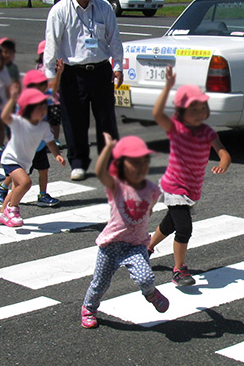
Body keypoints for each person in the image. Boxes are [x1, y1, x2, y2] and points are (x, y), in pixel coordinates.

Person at [147, 66, 231, 286]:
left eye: (202, 107)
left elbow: (223, 152)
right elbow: (157, 114)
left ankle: (146, 248)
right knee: (184, 227)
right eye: (193, 108)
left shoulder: (208, 132)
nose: (199, 112)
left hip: (192, 189)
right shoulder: (176, 128)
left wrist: (223, 163)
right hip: (175, 187)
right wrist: (167, 87)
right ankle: (179, 269)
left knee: (170, 223)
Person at [80, 134, 170, 329]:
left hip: (136, 245)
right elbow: (99, 171)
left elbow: (150, 208)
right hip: (111, 244)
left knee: (146, 277)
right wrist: (108, 149)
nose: (140, 168)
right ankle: (89, 308)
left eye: (144, 163)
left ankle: (150, 293)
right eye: (133, 164)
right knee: (101, 282)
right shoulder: (117, 186)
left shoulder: (152, 189)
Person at [43, 0, 123, 181]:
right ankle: (78, 162)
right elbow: (52, 46)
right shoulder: (60, 11)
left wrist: (117, 66)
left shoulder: (104, 8)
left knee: (106, 119)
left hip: (100, 70)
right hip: (72, 73)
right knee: (74, 120)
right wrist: (51, 79)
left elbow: (114, 39)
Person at [0, 83, 65, 227]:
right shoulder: (19, 122)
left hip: (25, 162)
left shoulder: (44, 126)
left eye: (44, 107)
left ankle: (1, 213)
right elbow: (4, 116)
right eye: (38, 108)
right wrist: (13, 98)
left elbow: (50, 142)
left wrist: (57, 155)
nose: (42, 111)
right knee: (25, 183)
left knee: (15, 189)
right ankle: (13, 209)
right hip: (11, 159)